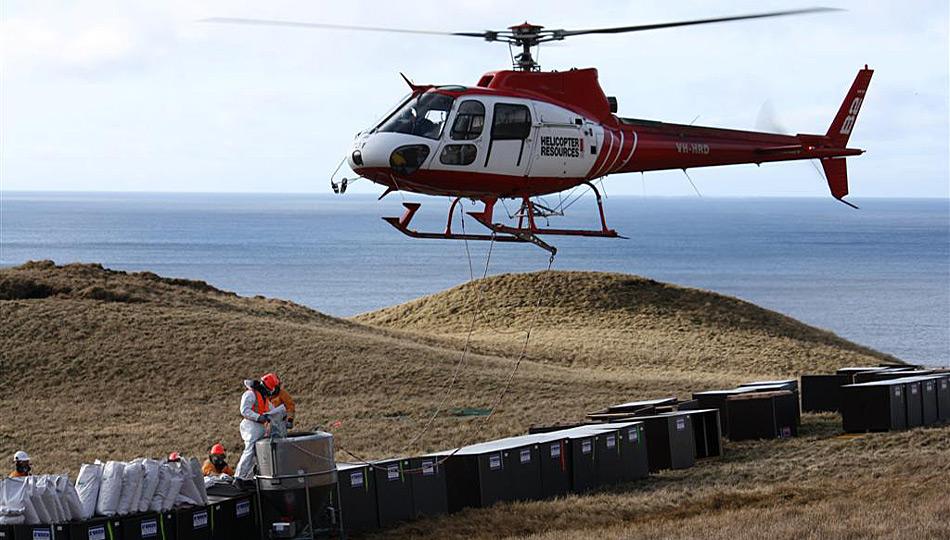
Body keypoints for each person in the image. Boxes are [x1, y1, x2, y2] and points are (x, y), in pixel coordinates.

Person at [235, 377, 272, 481]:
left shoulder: (263, 397)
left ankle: (248, 478)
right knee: (250, 451)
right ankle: (239, 477)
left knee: (257, 453)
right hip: (251, 425)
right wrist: (258, 417)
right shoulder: (250, 394)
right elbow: (244, 410)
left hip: (259, 426)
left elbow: (271, 409)